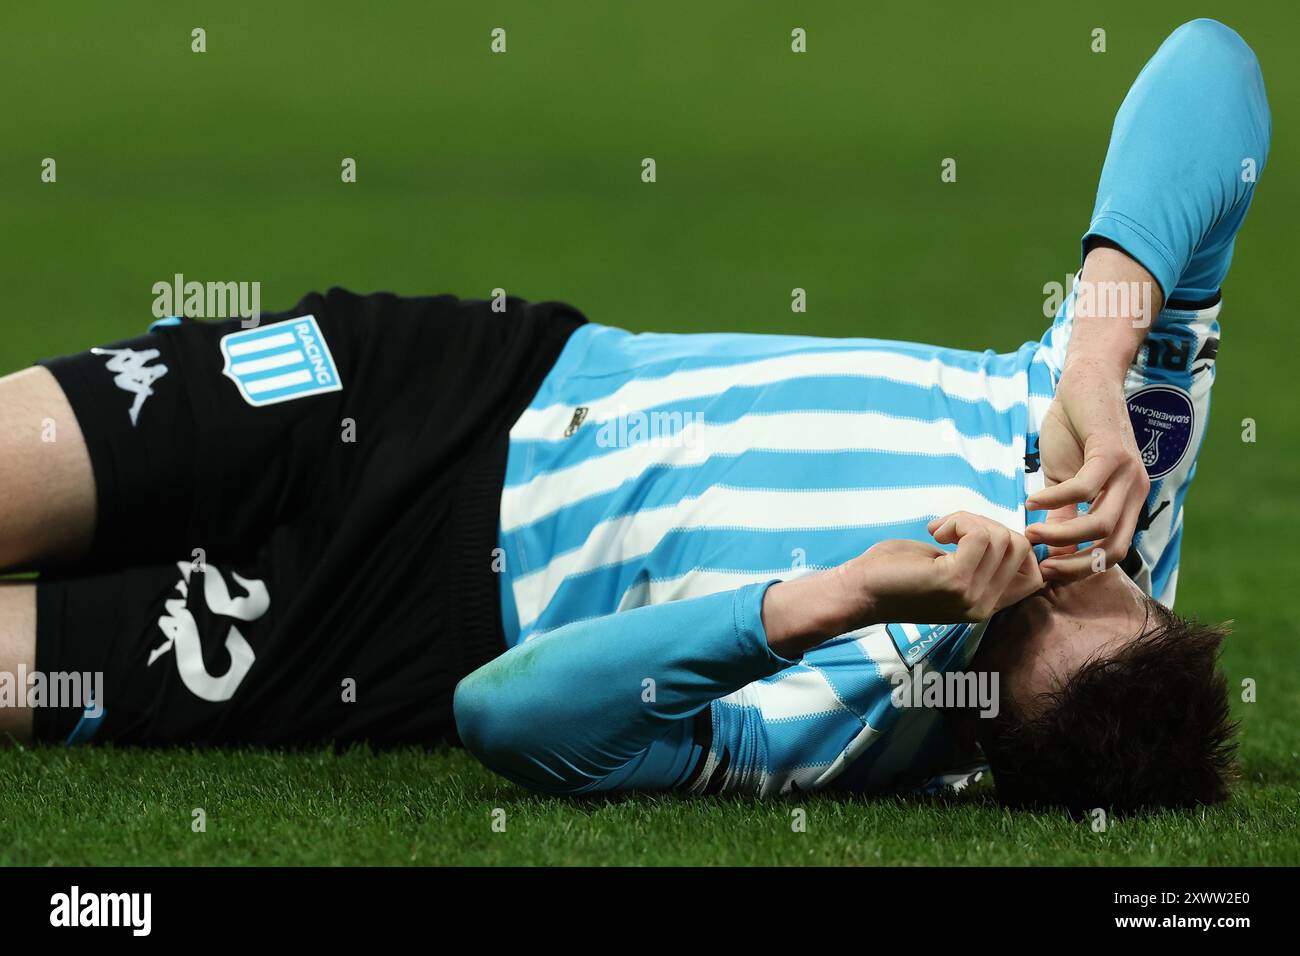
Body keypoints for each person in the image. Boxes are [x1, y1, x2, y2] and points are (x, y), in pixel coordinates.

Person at [0, 20, 1268, 815]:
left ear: (994, 729)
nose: (1041, 555)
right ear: (1150, 598)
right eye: (1089, 576)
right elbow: (1212, 65)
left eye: (1020, 616)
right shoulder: (1123, 460)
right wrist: (1097, 353)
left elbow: (508, 715)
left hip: (391, 628)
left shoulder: (853, 742)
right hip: (454, 385)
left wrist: (847, 595)